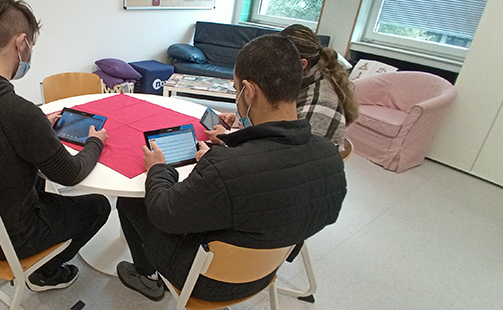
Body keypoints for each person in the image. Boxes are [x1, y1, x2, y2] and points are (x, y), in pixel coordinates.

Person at [114, 35, 347, 302]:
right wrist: (233, 141)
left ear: (248, 92)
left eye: (235, 88)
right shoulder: (329, 154)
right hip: (269, 269)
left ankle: (147, 276)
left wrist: (159, 169)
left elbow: (164, 214)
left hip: (207, 280)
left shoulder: (226, 167)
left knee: (132, 202)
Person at [0, 0, 110, 292]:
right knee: (98, 206)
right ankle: (45, 273)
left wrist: (37, 124)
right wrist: (95, 141)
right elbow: (70, 175)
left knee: (38, 181)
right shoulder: (15, 111)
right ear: (21, 43)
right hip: (10, 235)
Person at [206, 25, 357, 151]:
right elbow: (275, 122)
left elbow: (284, 158)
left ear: (302, 65)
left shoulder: (319, 106)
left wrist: (228, 139)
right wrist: (244, 120)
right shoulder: (302, 82)